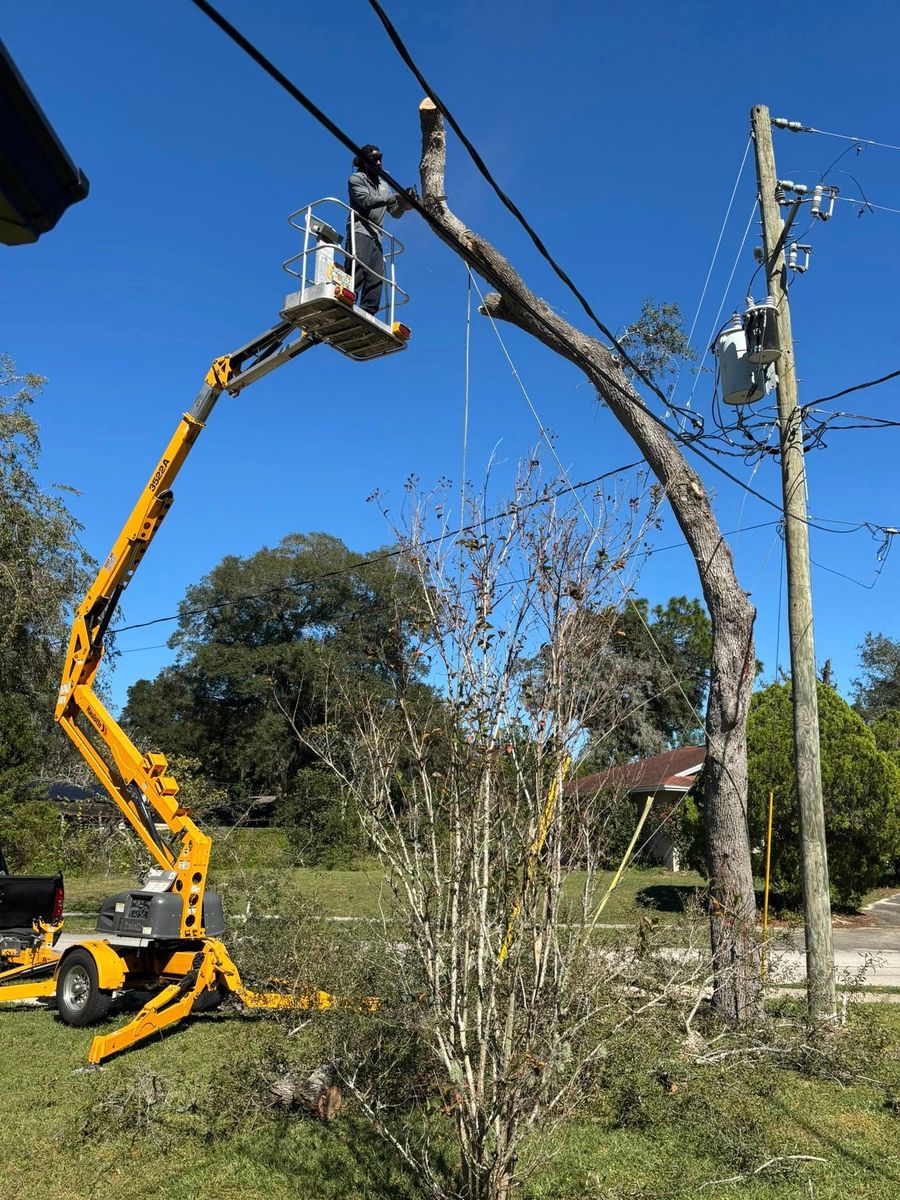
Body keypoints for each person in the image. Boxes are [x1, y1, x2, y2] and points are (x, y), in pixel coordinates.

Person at [345, 145, 413, 316]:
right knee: (358, 269)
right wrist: (394, 197)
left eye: (380, 157)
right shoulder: (356, 178)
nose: (378, 161)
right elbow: (366, 201)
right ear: (363, 161)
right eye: (374, 158)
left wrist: (404, 205)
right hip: (360, 229)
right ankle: (346, 300)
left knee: (376, 279)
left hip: (377, 236)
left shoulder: (384, 185)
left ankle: (368, 313)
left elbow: (394, 212)